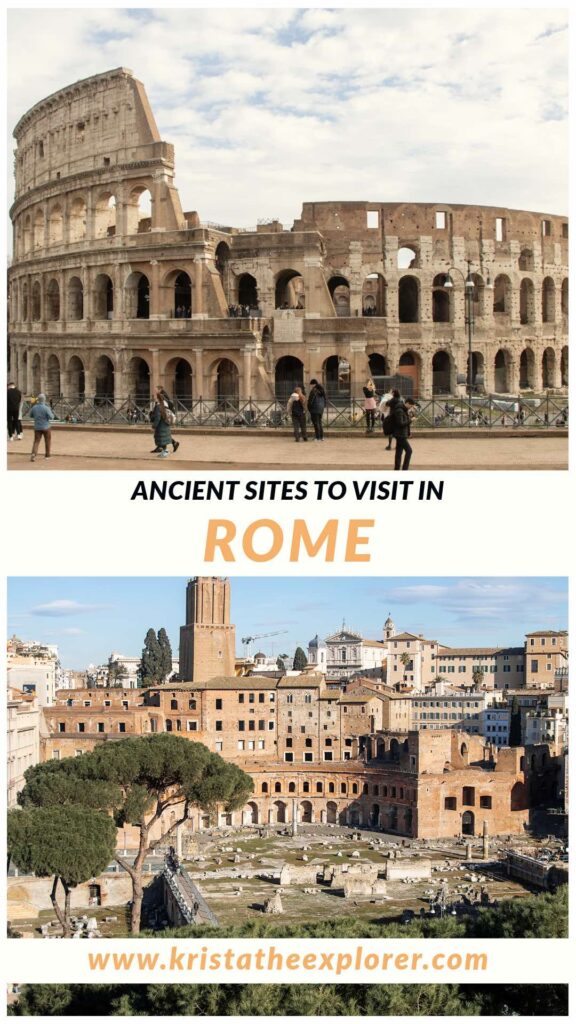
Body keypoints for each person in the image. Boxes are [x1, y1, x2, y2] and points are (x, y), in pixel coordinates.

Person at [388, 389, 412, 470]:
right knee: (409, 451)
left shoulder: (403, 409)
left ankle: (397, 469)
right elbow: (400, 423)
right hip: (400, 434)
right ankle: (405, 469)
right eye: (411, 406)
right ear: (407, 403)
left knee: (399, 452)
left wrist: (408, 432)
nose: (411, 408)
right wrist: (410, 420)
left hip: (401, 434)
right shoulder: (400, 410)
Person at [150, 387, 178, 458]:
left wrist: (153, 426)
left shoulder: (159, 406)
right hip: (164, 424)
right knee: (163, 438)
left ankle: (165, 451)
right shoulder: (162, 405)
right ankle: (163, 449)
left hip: (161, 425)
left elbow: (158, 417)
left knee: (162, 439)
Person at [28, 393, 55, 462]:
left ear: (38, 400)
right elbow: (52, 417)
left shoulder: (34, 407)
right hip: (46, 427)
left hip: (37, 427)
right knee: (47, 441)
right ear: (44, 400)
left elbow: (30, 415)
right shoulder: (46, 408)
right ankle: (47, 455)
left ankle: (33, 454)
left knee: (36, 441)